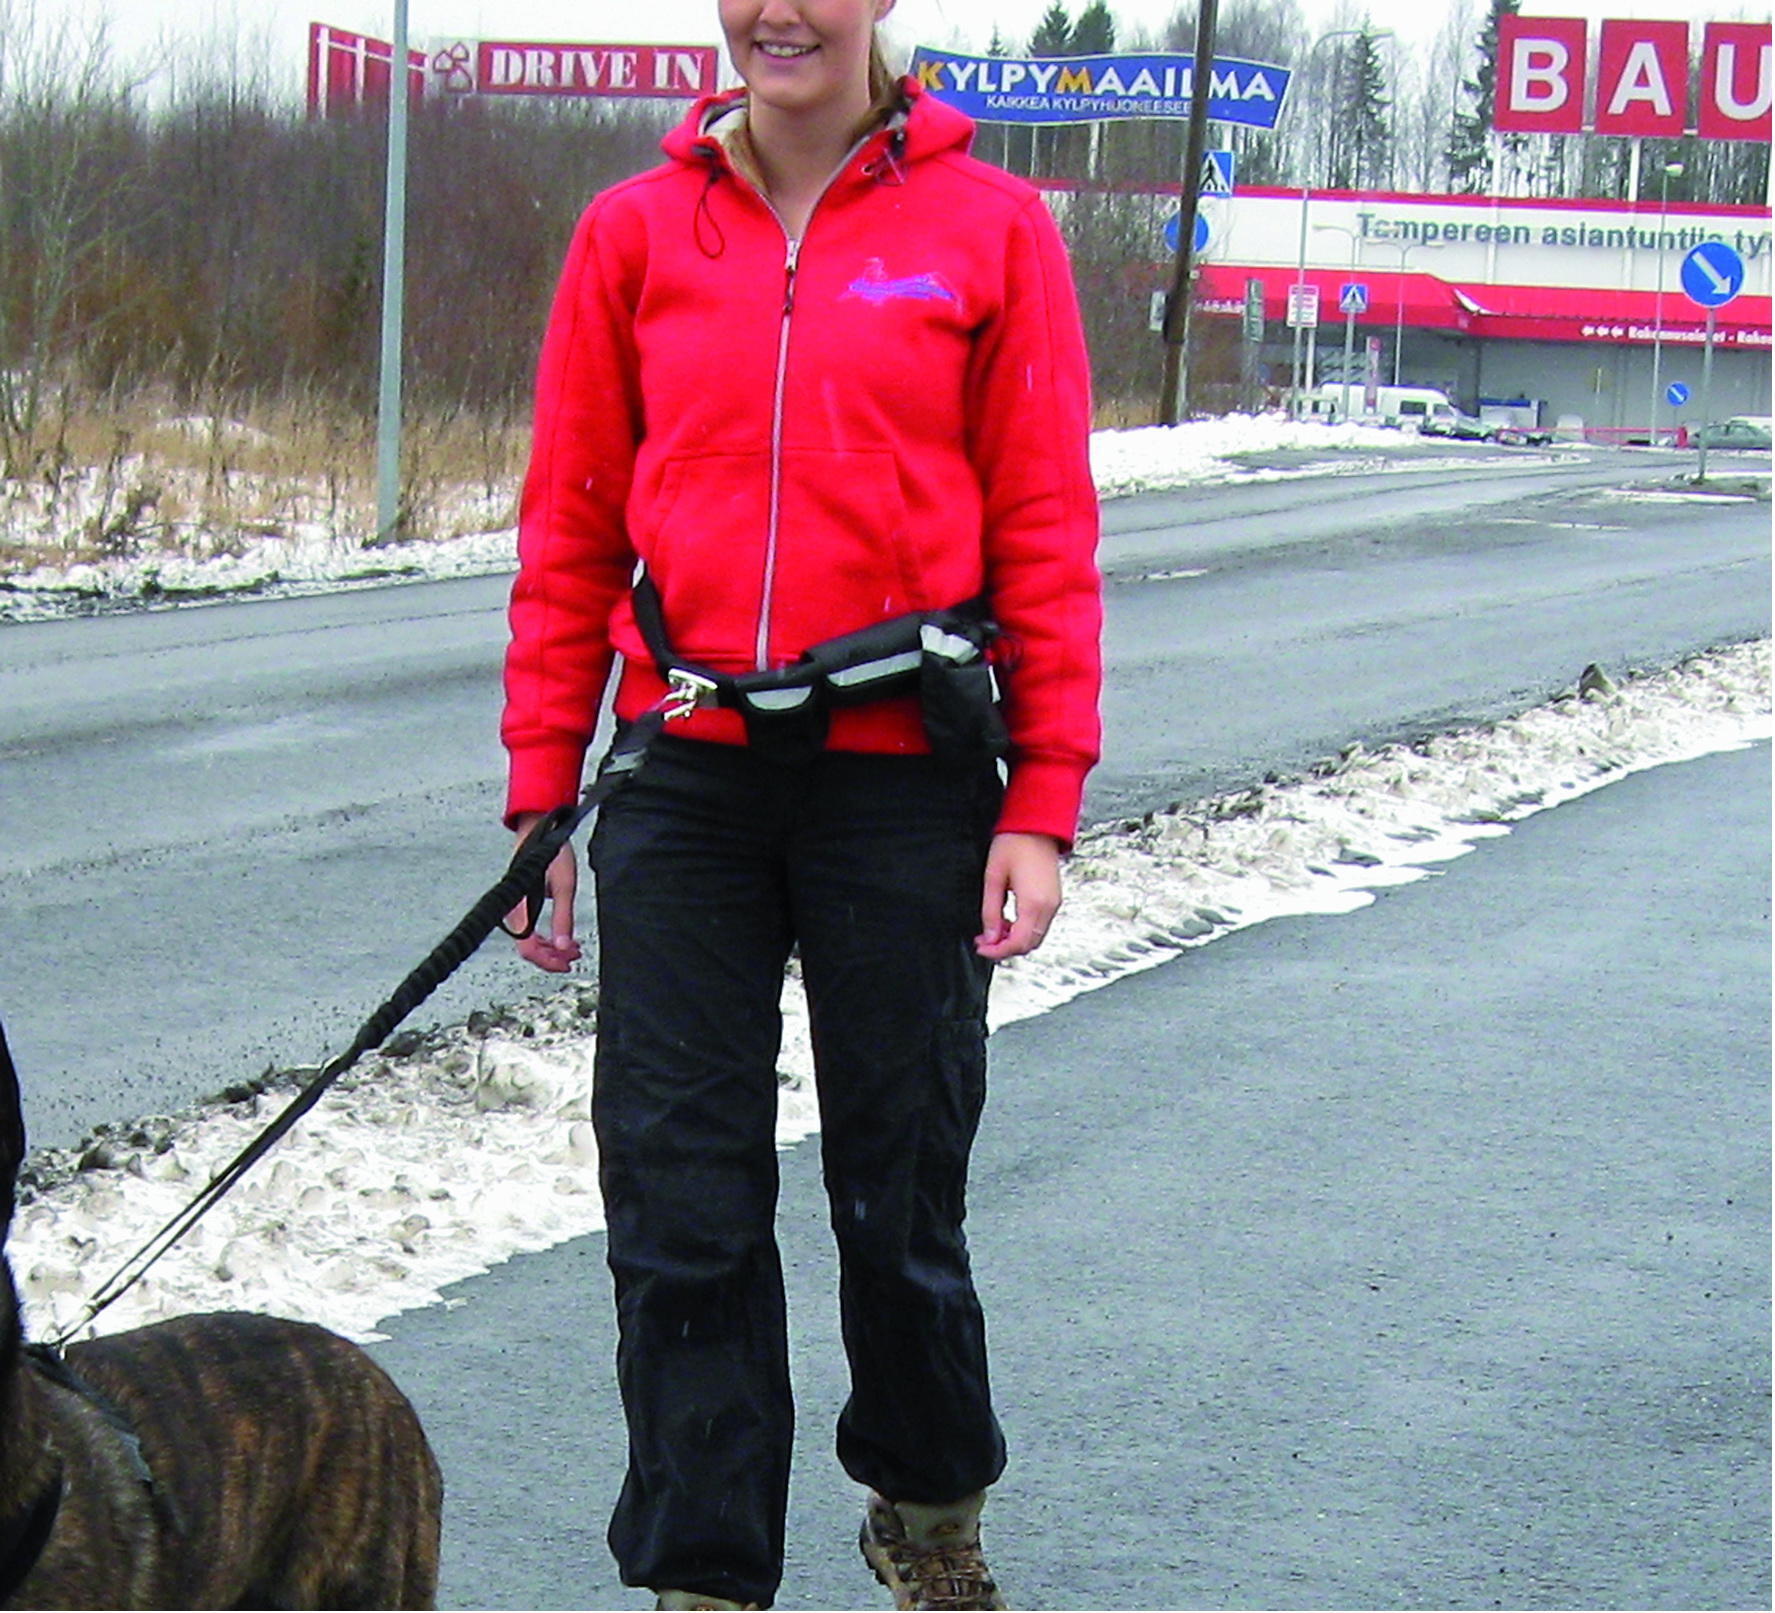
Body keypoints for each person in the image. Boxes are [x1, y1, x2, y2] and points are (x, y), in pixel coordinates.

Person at [499, 0, 1101, 1603]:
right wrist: (539, 797)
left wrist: (1041, 797)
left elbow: (1043, 527)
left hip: (902, 783)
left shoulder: (992, 230)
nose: (780, 12)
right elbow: (566, 536)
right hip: (686, 779)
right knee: (679, 1206)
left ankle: (931, 1518)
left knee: (896, 1198)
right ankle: (705, 1575)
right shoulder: (634, 233)